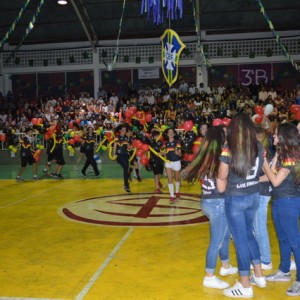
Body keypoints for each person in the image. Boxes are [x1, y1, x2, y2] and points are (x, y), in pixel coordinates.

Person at [181, 125, 238, 289]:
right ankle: (209, 275)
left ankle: (225, 266)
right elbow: (223, 182)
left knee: (225, 235)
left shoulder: (207, 156)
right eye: (226, 135)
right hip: (217, 203)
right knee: (217, 241)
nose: (228, 137)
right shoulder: (220, 157)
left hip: (208, 201)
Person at [217, 113, 266, 298]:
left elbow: (222, 178)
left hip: (236, 197)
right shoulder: (259, 146)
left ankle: (245, 285)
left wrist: (222, 187)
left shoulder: (229, 148)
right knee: (248, 234)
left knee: (240, 241)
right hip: (254, 194)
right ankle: (259, 276)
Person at [262, 122, 300, 297]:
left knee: (294, 241)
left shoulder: (291, 156)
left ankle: (299, 280)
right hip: (278, 201)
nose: (273, 137)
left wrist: (263, 163)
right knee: (283, 238)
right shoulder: (281, 153)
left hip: (288, 201)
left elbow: (275, 181)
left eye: (276, 135)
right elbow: (270, 175)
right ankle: (284, 271)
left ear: (284, 137)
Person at [252, 125, 273, 270]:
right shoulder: (260, 152)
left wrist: (252, 180)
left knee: (259, 228)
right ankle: (261, 258)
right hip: (259, 192)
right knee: (256, 227)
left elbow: (270, 176)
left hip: (263, 192)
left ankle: (265, 260)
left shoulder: (265, 154)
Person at [163, 127, 182, 204]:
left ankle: (177, 191)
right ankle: (172, 196)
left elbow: (180, 154)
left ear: (174, 134)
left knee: (177, 179)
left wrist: (177, 152)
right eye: (169, 132)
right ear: (167, 134)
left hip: (177, 162)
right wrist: (161, 154)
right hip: (168, 163)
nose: (170, 133)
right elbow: (165, 153)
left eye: (172, 132)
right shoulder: (165, 143)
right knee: (169, 179)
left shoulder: (177, 142)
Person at [113, 124, 131, 192]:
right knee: (126, 168)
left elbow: (128, 147)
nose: (124, 131)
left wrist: (131, 147)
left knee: (126, 169)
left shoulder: (126, 138)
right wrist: (114, 154)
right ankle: (126, 185)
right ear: (120, 130)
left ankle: (126, 184)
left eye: (125, 129)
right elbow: (115, 145)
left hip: (126, 156)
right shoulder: (117, 137)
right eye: (122, 129)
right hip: (119, 156)